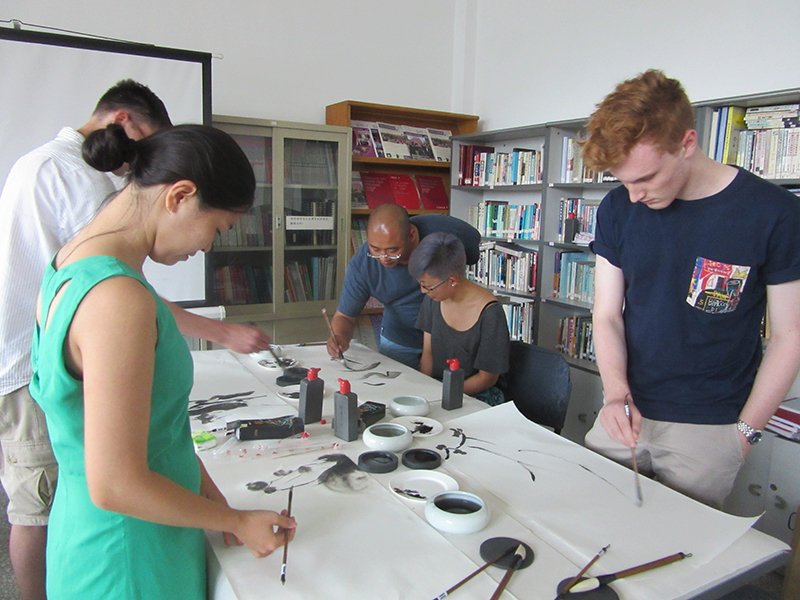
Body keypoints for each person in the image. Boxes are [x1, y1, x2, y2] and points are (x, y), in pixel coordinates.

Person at [0, 80, 271, 600]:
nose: (207, 246)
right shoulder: (117, 299)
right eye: (216, 227)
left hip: (136, 531)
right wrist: (235, 518)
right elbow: (117, 482)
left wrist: (221, 510)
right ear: (180, 196)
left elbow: (159, 433)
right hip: (124, 554)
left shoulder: (73, 263)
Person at [580, 69, 800, 507]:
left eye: (646, 179)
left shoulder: (774, 214)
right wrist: (614, 394)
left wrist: (744, 434)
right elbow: (606, 314)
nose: (635, 195)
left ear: (686, 143)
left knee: (680, 560)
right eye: (624, 182)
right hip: (625, 410)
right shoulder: (619, 208)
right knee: (591, 527)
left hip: (710, 426)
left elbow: (789, 336)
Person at [326, 203, 481, 368]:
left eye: (393, 250)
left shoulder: (441, 232)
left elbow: (474, 246)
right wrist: (339, 337)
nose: (383, 258)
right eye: (375, 249)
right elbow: (344, 316)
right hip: (400, 340)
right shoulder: (363, 265)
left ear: (412, 235)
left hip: (449, 338)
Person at [409, 232, 509, 405]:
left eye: (428, 286)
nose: (423, 291)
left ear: (452, 280)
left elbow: (487, 378)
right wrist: (424, 391)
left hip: (474, 395)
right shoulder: (433, 300)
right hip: (437, 390)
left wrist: (444, 395)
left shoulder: (491, 313)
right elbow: (428, 354)